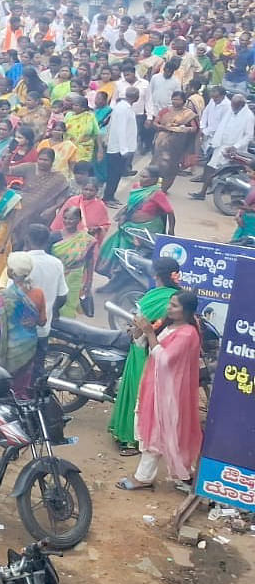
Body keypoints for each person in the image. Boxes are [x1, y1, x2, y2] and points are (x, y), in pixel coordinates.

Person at [117, 290, 205, 491]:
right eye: (170, 304)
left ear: (187, 310)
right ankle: (183, 474)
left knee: (160, 431)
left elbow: (165, 360)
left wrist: (149, 332)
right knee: (163, 430)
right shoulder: (169, 324)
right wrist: (140, 333)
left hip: (170, 392)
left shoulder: (188, 333)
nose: (169, 308)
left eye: (174, 306)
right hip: (155, 384)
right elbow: (148, 347)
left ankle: (145, 477)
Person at [110, 257, 182, 453]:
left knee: (136, 393)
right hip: (167, 351)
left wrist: (136, 332)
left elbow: (138, 326)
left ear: (156, 275)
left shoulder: (152, 296)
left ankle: (130, 438)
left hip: (144, 350)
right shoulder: (180, 297)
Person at [0, 252, 46, 397]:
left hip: (7, 349)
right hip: (28, 347)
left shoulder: (3, 296)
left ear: (11, 272)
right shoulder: (38, 293)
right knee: (21, 384)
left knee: (3, 383)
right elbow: (42, 321)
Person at [53, 206, 98, 318]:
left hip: (74, 279)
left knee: (69, 305)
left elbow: (89, 261)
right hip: (55, 277)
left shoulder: (86, 240)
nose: (67, 221)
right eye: (65, 218)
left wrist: (89, 282)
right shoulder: (54, 236)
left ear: (79, 220)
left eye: (71, 219)